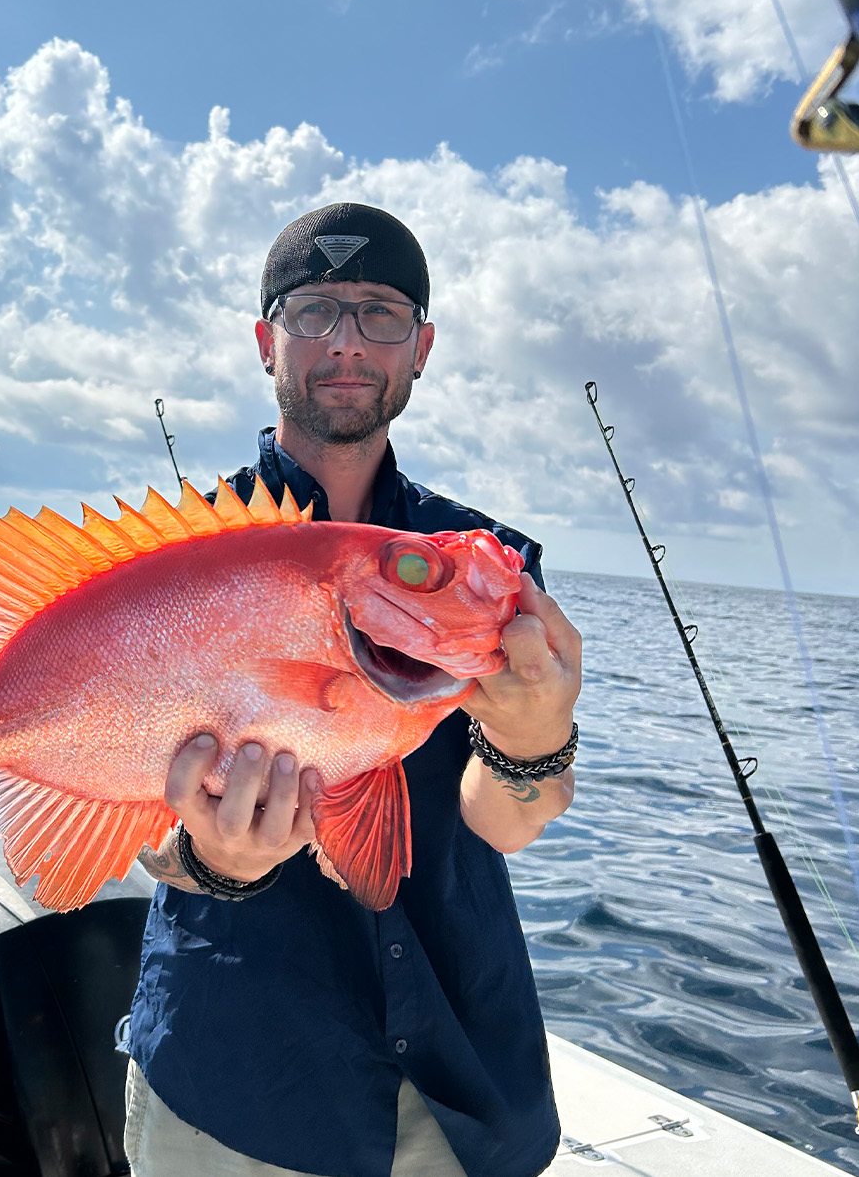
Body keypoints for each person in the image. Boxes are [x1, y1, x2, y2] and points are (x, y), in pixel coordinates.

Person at [124, 202, 582, 1177]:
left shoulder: (479, 567)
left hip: (459, 1085)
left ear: (420, 349)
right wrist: (216, 860)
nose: (344, 341)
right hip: (237, 1079)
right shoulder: (172, 552)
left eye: (377, 312)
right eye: (312, 308)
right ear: (264, 339)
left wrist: (534, 738)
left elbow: (509, 820)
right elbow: (136, 834)